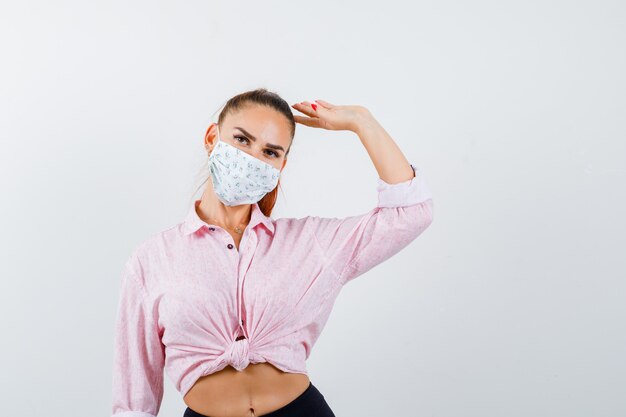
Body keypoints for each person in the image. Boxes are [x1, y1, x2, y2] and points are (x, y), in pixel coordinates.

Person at [111, 88, 434, 417]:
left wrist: (361, 121)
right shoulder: (152, 259)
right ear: (212, 137)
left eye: (270, 151)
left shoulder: (309, 243)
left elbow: (409, 214)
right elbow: (134, 399)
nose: (253, 158)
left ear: (281, 164)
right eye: (242, 140)